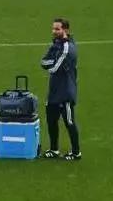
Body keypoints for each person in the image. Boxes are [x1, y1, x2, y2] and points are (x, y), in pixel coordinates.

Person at [40, 17, 80, 161]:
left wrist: (51, 62)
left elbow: (53, 68)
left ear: (65, 30)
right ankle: (54, 149)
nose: (54, 31)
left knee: (69, 122)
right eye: (53, 28)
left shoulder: (68, 47)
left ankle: (76, 152)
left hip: (66, 92)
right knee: (51, 121)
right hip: (54, 91)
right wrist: (52, 62)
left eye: (57, 29)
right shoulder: (56, 44)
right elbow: (43, 62)